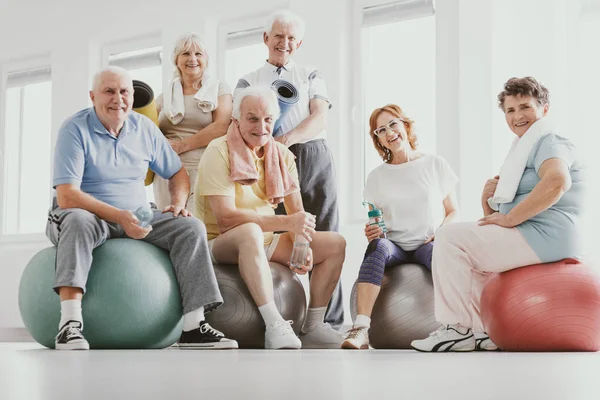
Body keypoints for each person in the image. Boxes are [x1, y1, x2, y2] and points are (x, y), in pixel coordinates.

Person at [48, 66, 236, 350]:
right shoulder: (74, 129)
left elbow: (178, 174)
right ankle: (69, 324)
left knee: (190, 226)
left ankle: (193, 325)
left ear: (132, 96)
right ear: (92, 96)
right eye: (109, 91)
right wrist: (119, 217)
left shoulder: (144, 128)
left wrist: (176, 204)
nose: (118, 99)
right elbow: (67, 196)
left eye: (124, 92)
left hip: (138, 213)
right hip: (87, 214)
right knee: (76, 220)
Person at [411, 76, 585, 352]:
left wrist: (509, 218)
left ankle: (456, 328)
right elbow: (501, 214)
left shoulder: (550, 141)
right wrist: (488, 205)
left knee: (449, 237)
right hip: (535, 232)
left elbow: (557, 182)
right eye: (510, 110)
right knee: (473, 256)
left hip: (547, 235)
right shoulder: (524, 147)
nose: (518, 116)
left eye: (525, 107)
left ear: (544, 109)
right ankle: (481, 331)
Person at [194, 86, 346, 349]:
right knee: (250, 231)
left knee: (335, 244)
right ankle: (274, 324)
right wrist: (287, 224)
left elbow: (298, 212)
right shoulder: (218, 151)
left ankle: (313, 325)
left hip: (263, 241)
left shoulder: (282, 155)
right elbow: (226, 219)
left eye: (267, 120)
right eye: (252, 118)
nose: (262, 127)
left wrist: (301, 243)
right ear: (237, 120)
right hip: (219, 242)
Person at [233, 10, 344, 329]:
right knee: (277, 235)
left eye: (292, 38)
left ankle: (329, 323)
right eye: (278, 36)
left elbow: (319, 116)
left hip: (312, 154)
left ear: (300, 43)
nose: (285, 43)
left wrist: (285, 140)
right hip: (267, 161)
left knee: (325, 233)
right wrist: (272, 151)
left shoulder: (311, 74)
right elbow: (240, 124)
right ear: (265, 38)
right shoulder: (248, 80)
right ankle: (281, 318)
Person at [341, 104, 459, 350]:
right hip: (394, 246)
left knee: (441, 258)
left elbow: (452, 210)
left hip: (427, 242)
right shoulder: (376, 177)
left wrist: (442, 232)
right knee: (377, 247)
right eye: (381, 130)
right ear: (379, 140)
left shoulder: (434, 164)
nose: (389, 132)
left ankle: (459, 326)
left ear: (405, 125)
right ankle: (361, 329)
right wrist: (373, 231)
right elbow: (376, 220)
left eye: (393, 124)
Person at [153, 32, 232, 211]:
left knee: (194, 225)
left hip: (202, 167)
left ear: (206, 59)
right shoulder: (165, 96)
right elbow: (148, 128)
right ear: (176, 59)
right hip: (166, 171)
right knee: (167, 224)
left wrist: (181, 146)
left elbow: (222, 126)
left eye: (198, 54)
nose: (192, 59)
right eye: (186, 53)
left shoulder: (219, 88)